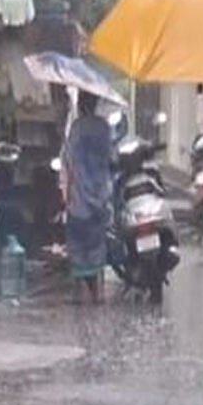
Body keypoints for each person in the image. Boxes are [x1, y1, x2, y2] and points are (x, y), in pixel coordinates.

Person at [60, 90, 114, 302]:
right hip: (100, 195)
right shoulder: (104, 127)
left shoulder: (77, 128)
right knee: (97, 242)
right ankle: (98, 291)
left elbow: (68, 160)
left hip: (80, 197)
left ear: (81, 105)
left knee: (78, 244)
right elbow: (112, 156)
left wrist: (67, 193)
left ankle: (79, 292)